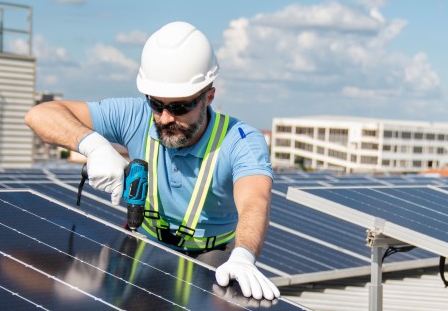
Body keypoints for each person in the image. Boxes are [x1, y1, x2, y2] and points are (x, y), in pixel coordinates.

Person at [24, 21, 279, 300]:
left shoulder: (240, 140)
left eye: (180, 107)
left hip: (211, 261)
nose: (166, 118)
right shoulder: (135, 115)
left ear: (209, 96)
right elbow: (39, 115)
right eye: (157, 104)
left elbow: (256, 201)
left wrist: (243, 256)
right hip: (141, 251)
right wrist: (92, 144)